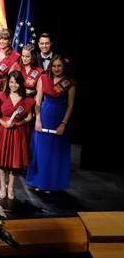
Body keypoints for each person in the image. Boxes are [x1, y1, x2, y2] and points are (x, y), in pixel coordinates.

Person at [26, 55, 76, 192]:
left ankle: (51, 184)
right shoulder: (43, 79)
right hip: (44, 117)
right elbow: (38, 101)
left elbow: (71, 106)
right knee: (41, 151)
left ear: (64, 67)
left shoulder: (69, 83)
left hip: (59, 118)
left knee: (55, 153)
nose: (56, 69)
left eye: (59, 66)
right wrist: (37, 120)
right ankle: (38, 182)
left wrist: (63, 124)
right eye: (54, 66)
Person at [0, 71, 35, 199]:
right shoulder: (0, 96)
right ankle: (2, 185)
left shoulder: (26, 100)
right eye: (11, 82)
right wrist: (3, 123)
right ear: (8, 82)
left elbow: (29, 117)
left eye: (16, 82)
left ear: (20, 84)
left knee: (14, 161)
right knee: (1, 160)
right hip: (3, 130)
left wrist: (19, 123)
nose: (13, 85)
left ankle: (11, 186)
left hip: (18, 132)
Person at [0, 29, 20, 93]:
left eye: (5, 39)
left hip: (5, 86)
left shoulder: (15, 55)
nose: (1, 41)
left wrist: (5, 91)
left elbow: (11, 76)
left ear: (10, 41)